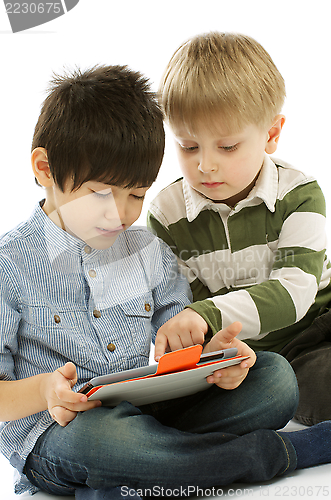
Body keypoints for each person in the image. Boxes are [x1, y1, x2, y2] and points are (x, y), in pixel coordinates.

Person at [0, 65, 328, 500]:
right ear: (44, 168)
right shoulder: (10, 266)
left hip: (155, 415)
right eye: (101, 193)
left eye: (136, 195)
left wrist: (215, 359)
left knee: (274, 380)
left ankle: (128, 482)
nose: (119, 214)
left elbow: (177, 344)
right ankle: (273, 454)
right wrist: (45, 389)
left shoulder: (149, 251)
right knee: (103, 439)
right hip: (65, 431)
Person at [148, 31, 331, 426]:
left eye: (227, 147)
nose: (205, 165)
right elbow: (186, 311)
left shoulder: (299, 194)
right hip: (252, 353)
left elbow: (294, 293)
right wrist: (209, 343)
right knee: (282, 392)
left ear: (271, 135)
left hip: (317, 323)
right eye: (188, 146)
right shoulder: (166, 215)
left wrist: (204, 314)